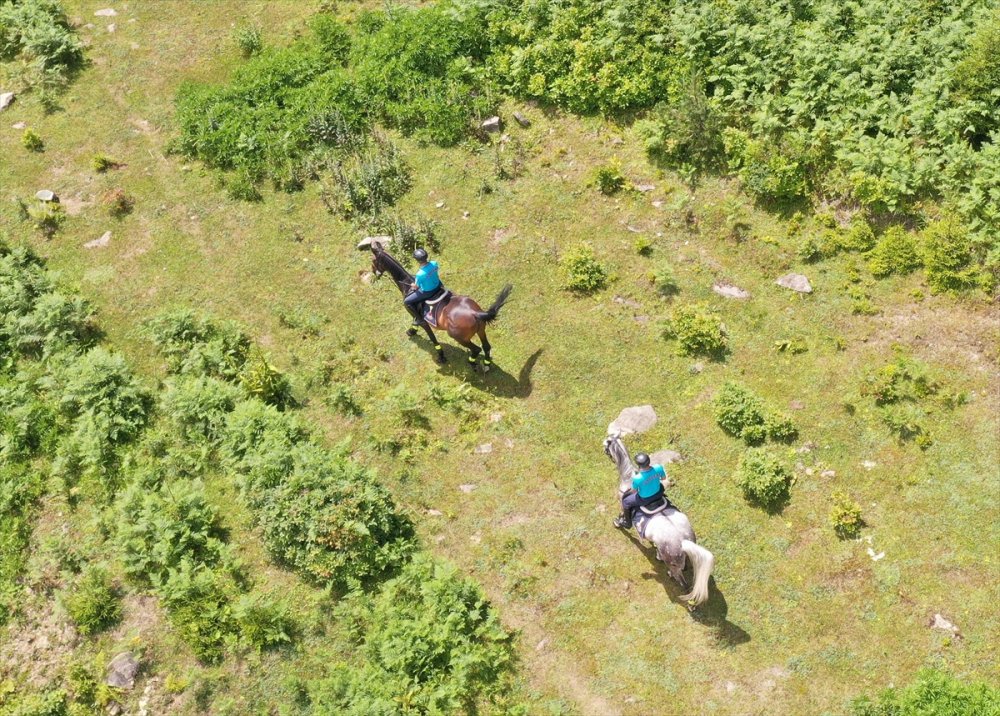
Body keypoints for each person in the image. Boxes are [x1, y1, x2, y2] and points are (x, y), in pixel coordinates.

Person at [614, 452, 668, 529]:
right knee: (661, 486)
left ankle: (627, 523)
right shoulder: (658, 467)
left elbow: (634, 490)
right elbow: (663, 478)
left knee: (626, 502)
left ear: (639, 465)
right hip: (659, 493)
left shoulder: (637, 478)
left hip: (644, 499)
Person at [403, 248, 442, 325]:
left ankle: (419, 319)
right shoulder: (434, 263)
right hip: (438, 285)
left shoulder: (420, 274)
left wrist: (412, 285)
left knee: (407, 301)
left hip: (428, 292)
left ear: (417, 260)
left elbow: (416, 287)